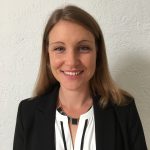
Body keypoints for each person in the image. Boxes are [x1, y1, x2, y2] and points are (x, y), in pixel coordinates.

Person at [13, 5, 147, 150]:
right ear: (47, 55)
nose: (71, 61)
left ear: (98, 53)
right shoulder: (27, 113)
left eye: (83, 48)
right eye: (59, 48)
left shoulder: (124, 110)